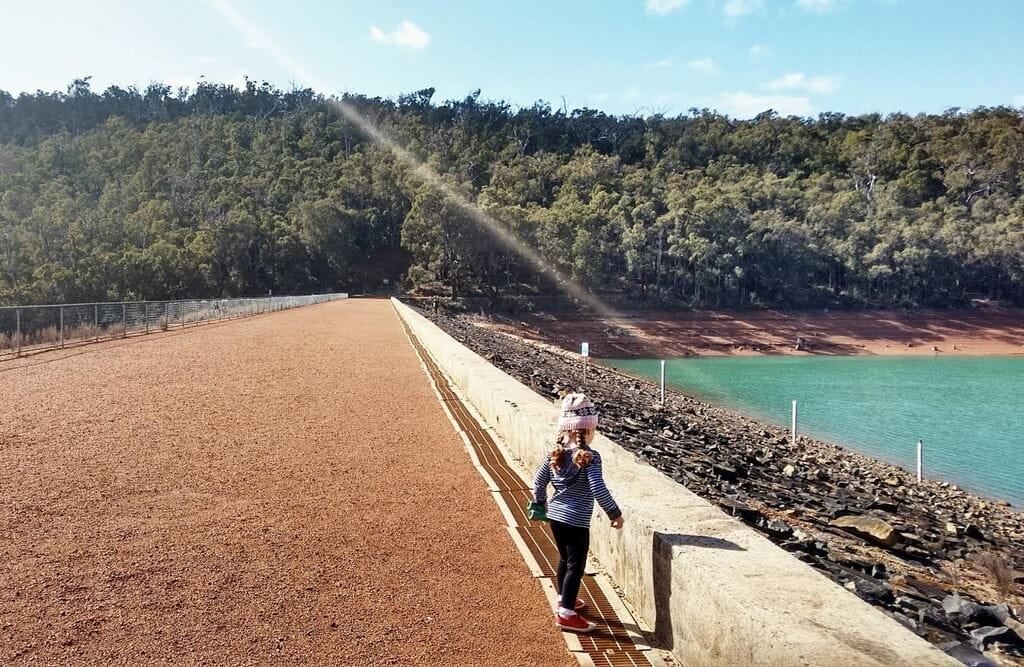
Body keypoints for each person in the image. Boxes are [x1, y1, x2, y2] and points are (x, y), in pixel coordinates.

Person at [532, 393, 624, 633]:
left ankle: (563, 599)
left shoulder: (555, 454)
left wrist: (541, 504)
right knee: (576, 566)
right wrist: (614, 512)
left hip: (555, 516)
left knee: (564, 559)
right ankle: (566, 614)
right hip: (576, 521)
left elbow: (538, 482)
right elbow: (598, 488)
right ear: (586, 430)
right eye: (593, 429)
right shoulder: (590, 458)